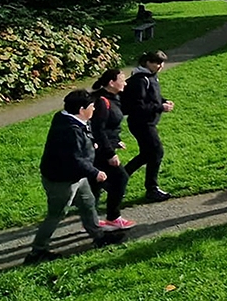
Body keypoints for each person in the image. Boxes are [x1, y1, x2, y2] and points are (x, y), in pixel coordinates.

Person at [26, 89, 124, 264]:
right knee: (56, 214)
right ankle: (37, 252)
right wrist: (95, 172)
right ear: (81, 109)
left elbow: (81, 143)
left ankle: (98, 236)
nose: (94, 109)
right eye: (91, 107)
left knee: (88, 203)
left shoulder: (68, 118)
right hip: (62, 180)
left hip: (76, 176)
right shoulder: (70, 130)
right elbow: (74, 158)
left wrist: (91, 144)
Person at [122, 51, 174, 202]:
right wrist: (160, 107)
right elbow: (138, 106)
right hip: (142, 123)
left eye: (161, 63)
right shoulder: (140, 81)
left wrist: (164, 100)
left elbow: (152, 98)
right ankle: (152, 189)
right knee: (156, 152)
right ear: (147, 63)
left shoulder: (150, 77)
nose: (160, 66)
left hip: (146, 122)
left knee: (147, 154)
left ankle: (117, 180)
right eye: (156, 63)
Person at [89, 69, 133, 230]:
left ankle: (90, 221)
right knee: (121, 178)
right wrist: (110, 153)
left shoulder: (113, 98)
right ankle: (113, 217)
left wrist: (117, 141)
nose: (125, 83)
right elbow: (98, 129)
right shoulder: (102, 101)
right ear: (111, 83)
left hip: (103, 146)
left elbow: (109, 126)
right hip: (100, 150)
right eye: (122, 79)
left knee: (95, 184)